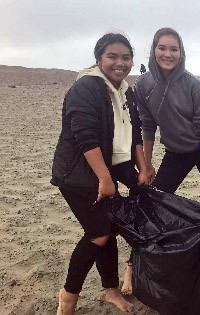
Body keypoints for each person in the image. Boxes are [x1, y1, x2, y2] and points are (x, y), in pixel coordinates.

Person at [121, 27, 200, 295]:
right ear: (154, 50)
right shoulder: (143, 85)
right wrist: (147, 164)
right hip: (176, 152)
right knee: (151, 201)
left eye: (174, 49)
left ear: (181, 53)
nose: (168, 54)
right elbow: (147, 126)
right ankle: (133, 265)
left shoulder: (193, 85)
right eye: (162, 48)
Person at [50, 33, 150, 314]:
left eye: (126, 57)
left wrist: (142, 167)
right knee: (98, 232)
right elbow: (86, 137)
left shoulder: (125, 89)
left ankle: (112, 291)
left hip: (112, 164)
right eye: (112, 57)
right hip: (78, 172)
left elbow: (136, 130)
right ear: (99, 59)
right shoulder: (87, 88)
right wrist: (105, 179)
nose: (120, 63)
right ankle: (68, 297)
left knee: (109, 228)